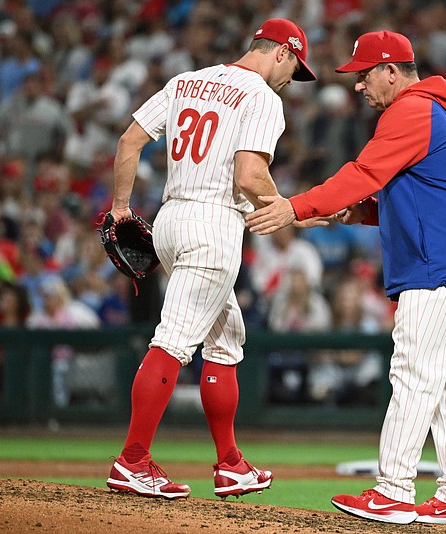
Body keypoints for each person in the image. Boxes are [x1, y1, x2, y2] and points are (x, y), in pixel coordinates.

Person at [246, 30, 446, 526]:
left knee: (413, 375)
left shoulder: (412, 108)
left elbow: (361, 172)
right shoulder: (430, 112)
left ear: (391, 71)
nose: (359, 86)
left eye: (364, 74)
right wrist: (353, 214)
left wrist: (296, 206)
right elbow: (416, 198)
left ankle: (394, 489)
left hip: (435, 268)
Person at [104, 18, 320, 500]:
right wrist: (289, 209)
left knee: (225, 341)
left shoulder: (186, 81)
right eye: (294, 68)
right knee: (176, 340)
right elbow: (248, 175)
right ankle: (133, 460)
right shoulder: (264, 97)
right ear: (282, 53)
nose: (291, 78)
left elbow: (129, 142)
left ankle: (230, 464)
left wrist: (120, 208)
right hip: (215, 224)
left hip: (170, 218)